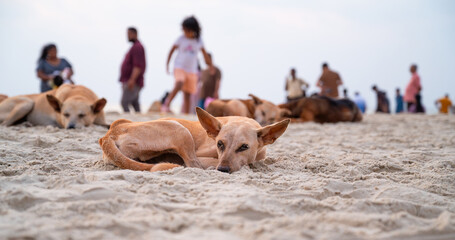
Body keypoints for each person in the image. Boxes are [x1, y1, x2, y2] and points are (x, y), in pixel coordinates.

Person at [162, 16, 214, 114]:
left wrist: (210, 66)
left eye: (186, 29)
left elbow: (204, 54)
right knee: (179, 82)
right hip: (179, 66)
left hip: (192, 70)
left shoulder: (198, 41)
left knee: (187, 94)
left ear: (193, 29)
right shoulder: (181, 39)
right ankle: (167, 103)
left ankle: (186, 115)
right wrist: (167, 64)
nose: (184, 32)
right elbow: (171, 50)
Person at [119, 27, 146, 113]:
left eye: (129, 34)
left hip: (133, 81)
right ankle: (138, 120)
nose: (127, 36)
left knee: (124, 102)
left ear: (135, 34)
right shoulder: (135, 47)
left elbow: (138, 66)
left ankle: (129, 120)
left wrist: (132, 79)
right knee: (135, 103)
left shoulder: (137, 47)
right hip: (130, 80)